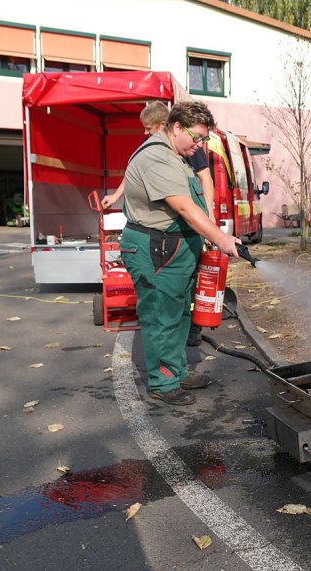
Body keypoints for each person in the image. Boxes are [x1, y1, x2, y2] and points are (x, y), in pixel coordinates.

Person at [117, 101, 239, 406]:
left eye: (203, 139)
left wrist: (207, 233)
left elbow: (200, 192)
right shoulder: (157, 158)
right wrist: (220, 238)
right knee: (161, 315)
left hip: (177, 247)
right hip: (154, 247)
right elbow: (184, 207)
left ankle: (177, 370)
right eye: (196, 137)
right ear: (175, 128)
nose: (200, 145)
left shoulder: (181, 153)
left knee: (180, 311)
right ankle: (162, 382)